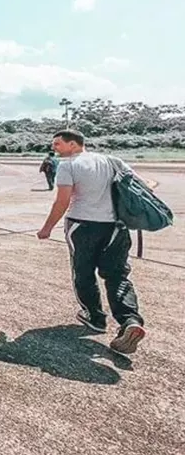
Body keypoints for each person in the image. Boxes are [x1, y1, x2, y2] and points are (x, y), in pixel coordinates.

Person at [36, 130, 146, 355]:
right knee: (117, 275)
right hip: (117, 227)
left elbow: (63, 200)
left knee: (83, 272)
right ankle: (130, 320)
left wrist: (47, 227)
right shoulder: (112, 160)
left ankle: (95, 317)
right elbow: (143, 186)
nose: (55, 148)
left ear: (73, 144)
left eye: (58, 143)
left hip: (83, 225)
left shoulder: (68, 164)